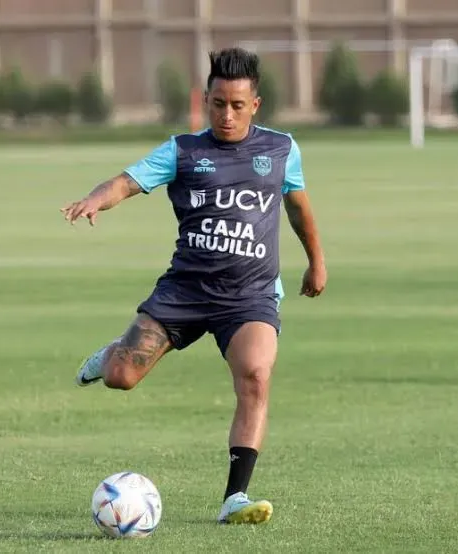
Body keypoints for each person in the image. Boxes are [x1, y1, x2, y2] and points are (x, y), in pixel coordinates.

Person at [61, 47, 327, 525]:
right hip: (184, 292)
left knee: (255, 377)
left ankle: (234, 499)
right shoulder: (183, 150)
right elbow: (126, 181)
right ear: (206, 99)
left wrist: (316, 263)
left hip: (250, 295)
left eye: (237, 106)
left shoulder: (281, 149)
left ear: (255, 105)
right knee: (122, 377)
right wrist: (95, 199)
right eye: (218, 104)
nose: (227, 115)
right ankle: (107, 357)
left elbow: (298, 208)